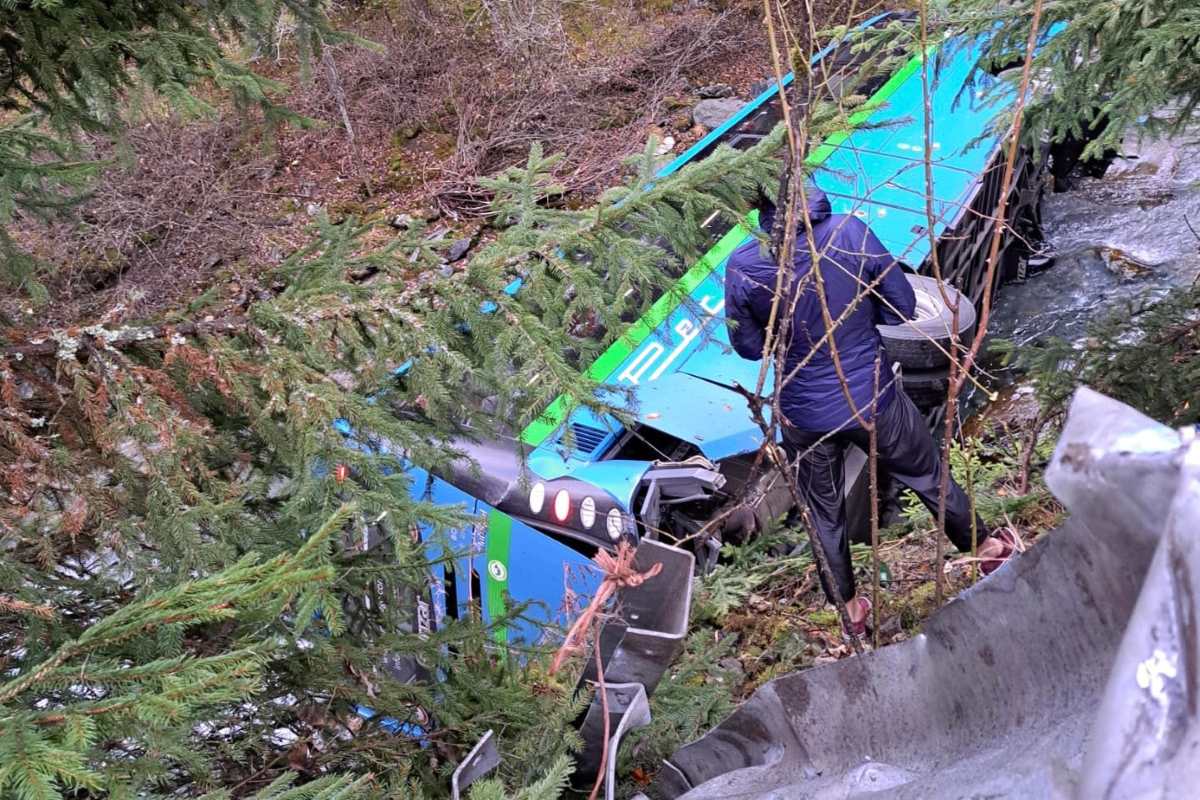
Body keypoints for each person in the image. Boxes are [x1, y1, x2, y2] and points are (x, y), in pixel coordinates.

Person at [725, 187, 1015, 637]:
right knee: (927, 475)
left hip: (801, 415)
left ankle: (851, 615)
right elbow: (903, 305)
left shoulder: (744, 264)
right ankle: (989, 550)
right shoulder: (850, 232)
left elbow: (746, 346)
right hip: (870, 400)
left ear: (759, 208)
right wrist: (858, 311)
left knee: (823, 515)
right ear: (810, 191)